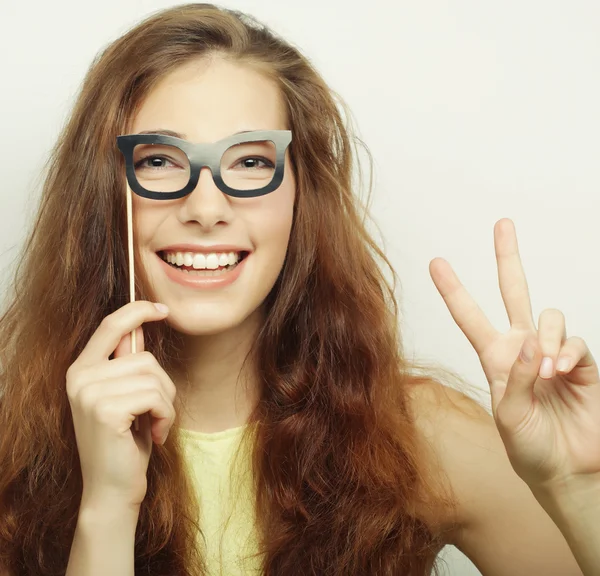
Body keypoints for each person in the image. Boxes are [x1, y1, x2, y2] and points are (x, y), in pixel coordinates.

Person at [0, 3, 598, 576]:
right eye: (158, 161)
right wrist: (106, 509)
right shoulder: (15, 443)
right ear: (104, 192)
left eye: (252, 163)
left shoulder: (419, 434)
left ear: (299, 194)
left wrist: (578, 488)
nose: (206, 208)